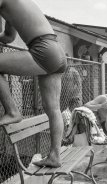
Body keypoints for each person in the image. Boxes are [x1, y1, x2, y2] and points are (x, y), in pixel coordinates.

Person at [0, 0, 67, 168]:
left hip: (42, 49)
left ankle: (13, 111)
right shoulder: (18, 4)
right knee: (53, 108)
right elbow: (9, 37)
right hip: (57, 50)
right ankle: (54, 156)